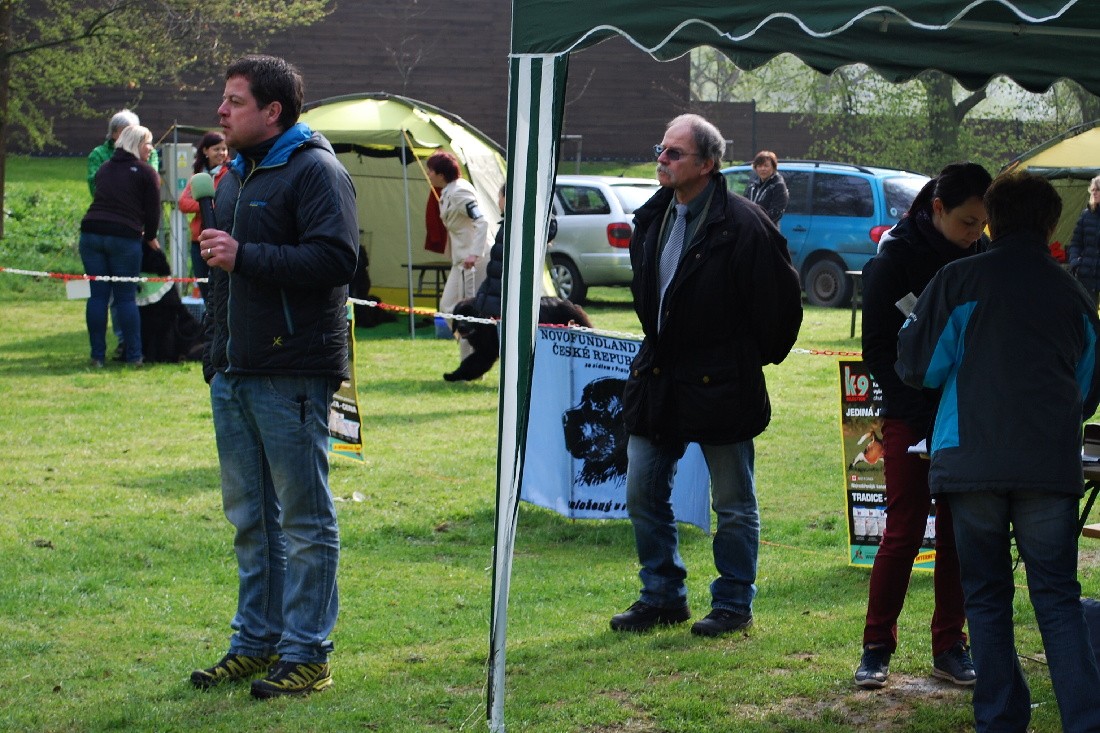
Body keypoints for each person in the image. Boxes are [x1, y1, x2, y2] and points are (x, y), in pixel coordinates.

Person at [896, 171, 1100, 733]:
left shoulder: (958, 280)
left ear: (991, 220)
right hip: (1048, 465)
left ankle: (1000, 719)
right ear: (1051, 225)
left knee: (985, 596)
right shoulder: (1074, 294)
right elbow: (1087, 389)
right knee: (1056, 597)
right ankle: (1086, 720)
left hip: (972, 459)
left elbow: (918, 366)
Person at [190, 55, 359, 699]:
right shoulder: (234, 174)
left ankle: (308, 653)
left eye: (234, 101)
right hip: (235, 370)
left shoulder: (316, 171)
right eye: (224, 98)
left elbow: (337, 259)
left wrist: (246, 255)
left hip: (292, 370)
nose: (221, 111)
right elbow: (222, 278)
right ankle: (255, 642)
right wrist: (215, 356)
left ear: (273, 111)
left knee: (305, 522)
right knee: (250, 518)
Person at [610, 114, 803, 637]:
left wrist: (742, 358)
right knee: (642, 491)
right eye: (661, 148)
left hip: (722, 382)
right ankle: (662, 595)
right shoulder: (654, 215)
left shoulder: (745, 224)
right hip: (659, 375)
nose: (662, 159)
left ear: (708, 164)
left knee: (733, 503)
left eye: (675, 153)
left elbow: (781, 307)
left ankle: (733, 603)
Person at [854, 162, 991, 689]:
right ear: (937, 208)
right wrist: (916, 414)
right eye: (966, 221)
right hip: (909, 416)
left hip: (965, 414)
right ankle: (876, 646)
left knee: (959, 532)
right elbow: (877, 351)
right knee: (903, 530)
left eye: (982, 223)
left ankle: (951, 645)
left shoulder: (981, 256)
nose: (975, 233)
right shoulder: (893, 258)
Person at [444, 184, 558, 381]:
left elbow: (549, 227)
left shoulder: (520, 224)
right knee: (488, 349)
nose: (498, 202)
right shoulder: (507, 224)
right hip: (494, 297)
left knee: (501, 348)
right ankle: (466, 373)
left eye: (500, 197)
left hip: (505, 301)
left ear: (508, 198)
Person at [79, 124, 160, 367]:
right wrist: (151, 237)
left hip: (91, 233)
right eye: (148, 143)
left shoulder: (104, 168)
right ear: (136, 144)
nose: (151, 148)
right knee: (125, 298)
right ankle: (134, 356)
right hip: (124, 238)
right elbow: (153, 211)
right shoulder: (146, 172)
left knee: (97, 296)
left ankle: (97, 356)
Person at [425, 150, 491, 376]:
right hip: (460, 261)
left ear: (441, 174)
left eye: (431, 170)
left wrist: (474, 254)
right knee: (449, 307)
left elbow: (482, 221)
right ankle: (473, 358)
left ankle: (472, 366)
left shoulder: (460, 191)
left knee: (466, 313)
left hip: (472, 262)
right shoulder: (448, 191)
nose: (428, 174)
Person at [177, 131, 230, 301]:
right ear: (205, 151)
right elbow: (183, 203)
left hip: (222, 239)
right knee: (206, 292)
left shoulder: (230, 174)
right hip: (199, 242)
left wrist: (206, 203)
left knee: (222, 291)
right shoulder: (198, 176)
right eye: (216, 149)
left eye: (224, 149)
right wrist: (206, 205)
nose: (221, 153)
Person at [87, 109, 159, 196]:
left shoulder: (148, 152)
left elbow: (151, 183)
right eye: (125, 132)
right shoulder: (98, 154)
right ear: (113, 133)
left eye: (133, 133)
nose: (130, 136)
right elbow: (95, 188)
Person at [1067, 174, 1100, 305]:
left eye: (1098, 189)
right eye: (1093, 190)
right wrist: (1075, 262)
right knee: (1088, 313)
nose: (1094, 193)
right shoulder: (1086, 215)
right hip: (1087, 276)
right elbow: (1075, 244)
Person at [744, 150, 788, 224]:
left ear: (773, 167)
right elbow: (744, 203)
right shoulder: (753, 184)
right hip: (750, 227)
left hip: (767, 229)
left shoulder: (778, 185)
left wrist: (757, 223)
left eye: (766, 166)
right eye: (759, 166)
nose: (763, 169)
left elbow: (776, 213)